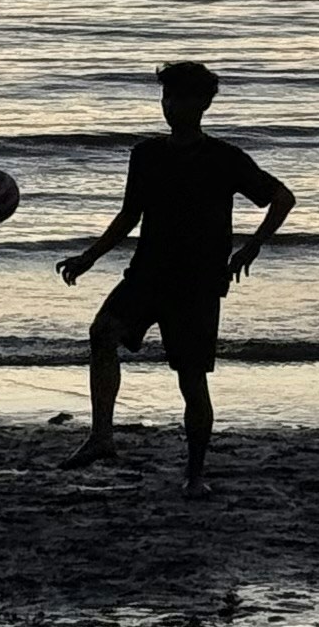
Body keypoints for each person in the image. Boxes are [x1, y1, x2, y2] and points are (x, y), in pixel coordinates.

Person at [57, 59, 293, 493]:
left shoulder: (225, 158)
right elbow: (130, 214)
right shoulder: (147, 154)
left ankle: (195, 475)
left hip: (197, 283)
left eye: (180, 97)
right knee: (102, 332)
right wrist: (89, 257)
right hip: (147, 272)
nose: (170, 106)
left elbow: (281, 198)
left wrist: (253, 245)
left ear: (202, 103)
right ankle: (101, 437)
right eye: (166, 97)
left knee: (191, 379)